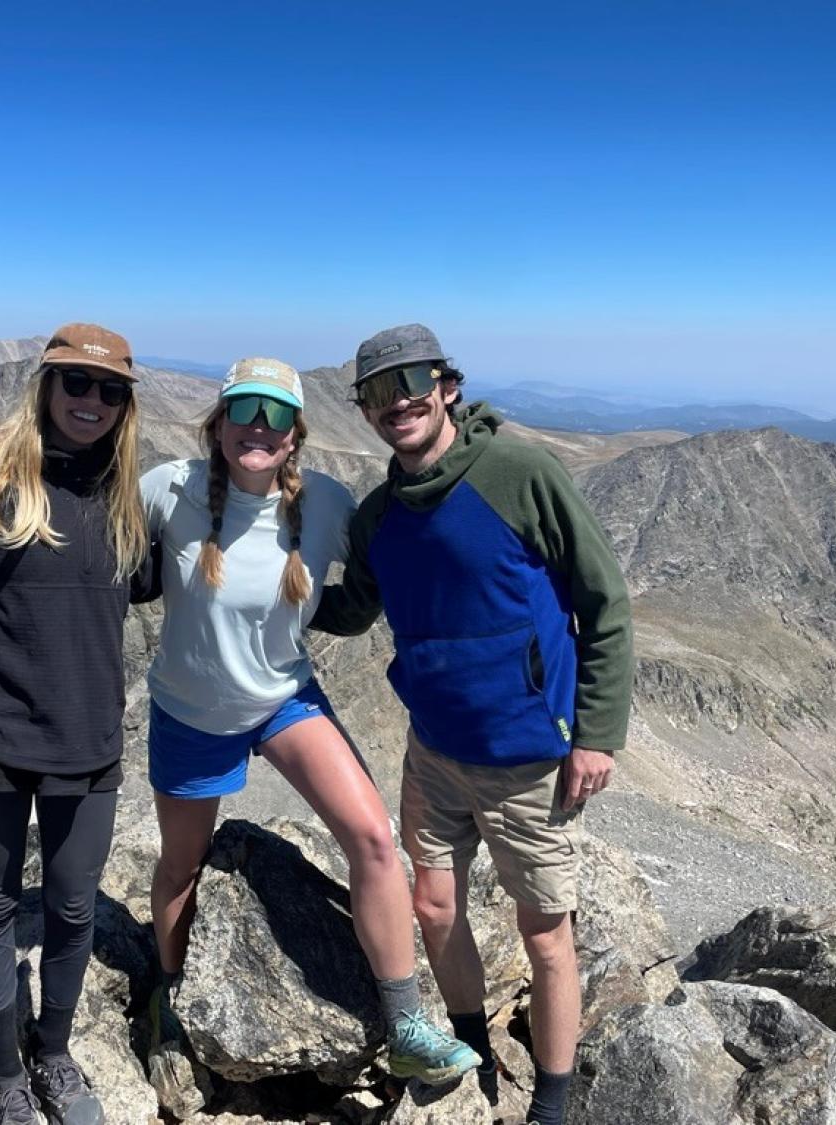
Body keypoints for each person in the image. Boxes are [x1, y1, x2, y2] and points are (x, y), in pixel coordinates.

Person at [310, 324, 633, 1125]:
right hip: (433, 752)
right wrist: (269, 595)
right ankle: (471, 1051)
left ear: (447, 385)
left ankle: (551, 1103)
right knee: (435, 908)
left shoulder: (519, 472)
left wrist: (597, 731)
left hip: (529, 759)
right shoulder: (381, 513)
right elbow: (356, 610)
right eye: (378, 393)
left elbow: (605, 601)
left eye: (412, 381)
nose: (398, 403)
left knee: (546, 933)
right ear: (365, 411)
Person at [139, 357, 480, 1087]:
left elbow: (393, 560)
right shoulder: (169, 488)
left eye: (275, 415)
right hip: (191, 712)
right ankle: (169, 990)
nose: (257, 426)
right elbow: (104, 560)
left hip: (284, 699)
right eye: (244, 409)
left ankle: (406, 1023)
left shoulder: (325, 504)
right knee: (180, 865)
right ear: (219, 424)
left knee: (373, 839)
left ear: (294, 436)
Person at [0, 323, 155, 1125]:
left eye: (110, 390)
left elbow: (149, 580)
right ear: (46, 386)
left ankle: (54, 1053)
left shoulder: (123, 496)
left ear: (125, 405)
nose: (91, 402)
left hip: (89, 745)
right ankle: (5, 1070)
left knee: (74, 907)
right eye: (76, 384)